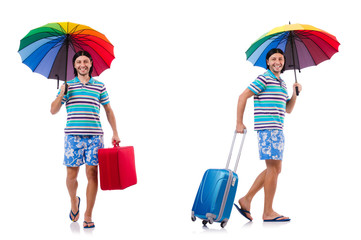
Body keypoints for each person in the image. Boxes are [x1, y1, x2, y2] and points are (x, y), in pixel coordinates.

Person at [50, 51, 120, 228]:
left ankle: (88, 215)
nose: (82, 64)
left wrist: (115, 132)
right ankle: (74, 202)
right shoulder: (68, 86)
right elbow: (53, 110)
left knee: (92, 174)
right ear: (74, 65)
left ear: (90, 64)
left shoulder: (99, 86)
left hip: (95, 136)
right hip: (73, 137)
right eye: (79, 61)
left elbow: (109, 110)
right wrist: (61, 94)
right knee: (71, 176)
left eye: (86, 61)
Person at [234, 48, 302, 222]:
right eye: (273, 59)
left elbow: (288, 109)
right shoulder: (264, 78)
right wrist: (239, 122)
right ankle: (268, 212)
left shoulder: (282, 83)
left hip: (278, 129)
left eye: (280, 58)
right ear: (267, 62)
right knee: (273, 169)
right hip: (268, 129)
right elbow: (243, 97)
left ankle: (247, 199)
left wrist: (294, 94)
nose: (277, 62)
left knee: (276, 169)